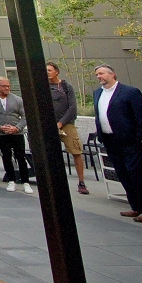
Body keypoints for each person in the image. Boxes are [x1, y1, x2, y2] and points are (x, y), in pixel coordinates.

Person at [92, 64, 142, 222]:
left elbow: (140, 116)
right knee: (122, 174)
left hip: (130, 140)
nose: (99, 77)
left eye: (101, 74)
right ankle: (135, 206)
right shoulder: (97, 93)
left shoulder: (130, 92)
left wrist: (140, 137)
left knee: (137, 174)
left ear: (112, 74)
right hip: (109, 140)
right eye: (97, 75)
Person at [0, 77, 32, 194]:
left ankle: (26, 182)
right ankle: (11, 180)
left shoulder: (17, 100)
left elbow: (25, 116)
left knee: (20, 156)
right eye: (4, 86)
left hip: (16, 132)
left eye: (8, 86)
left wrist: (17, 127)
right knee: (6, 156)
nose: (6, 88)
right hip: (1, 133)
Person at [46, 62, 88, 194]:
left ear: (57, 71)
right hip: (49, 125)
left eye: (50, 70)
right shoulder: (43, 87)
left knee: (76, 151)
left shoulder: (65, 86)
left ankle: (81, 183)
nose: (47, 72)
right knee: (50, 154)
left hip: (67, 124)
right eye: (45, 70)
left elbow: (72, 108)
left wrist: (61, 122)